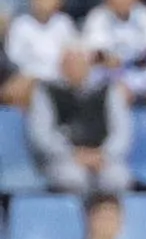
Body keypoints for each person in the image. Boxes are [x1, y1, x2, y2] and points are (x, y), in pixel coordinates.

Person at [30, 45, 133, 195]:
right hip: (63, 159)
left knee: (117, 179)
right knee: (73, 179)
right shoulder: (46, 91)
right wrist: (73, 154)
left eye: (80, 64)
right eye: (70, 64)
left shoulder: (108, 90)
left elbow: (122, 132)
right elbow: (42, 135)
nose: (75, 69)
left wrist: (104, 154)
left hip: (104, 158)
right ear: (61, 67)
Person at [6, 0, 80, 92]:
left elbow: (73, 52)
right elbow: (13, 59)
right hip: (30, 80)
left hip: (60, 80)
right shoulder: (20, 24)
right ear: (32, 0)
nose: (44, 2)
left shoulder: (64, 23)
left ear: (58, 1)